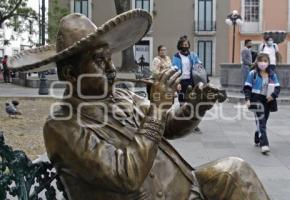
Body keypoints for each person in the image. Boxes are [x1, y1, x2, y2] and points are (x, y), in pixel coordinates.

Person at [8, 11, 271, 200]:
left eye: (109, 58)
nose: (111, 68)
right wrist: (157, 107)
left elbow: (167, 126)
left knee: (236, 172)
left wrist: (196, 105)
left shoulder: (121, 95)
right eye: (100, 61)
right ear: (69, 73)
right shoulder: (62, 125)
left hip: (186, 187)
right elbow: (126, 176)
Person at [244, 53, 280, 155]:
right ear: (257, 62)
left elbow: (277, 87)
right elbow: (247, 87)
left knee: (263, 121)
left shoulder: (272, 74)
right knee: (262, 121)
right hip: (256, 99)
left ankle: (257, 134)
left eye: (265, 61)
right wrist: (247, 99)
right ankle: (264, 144)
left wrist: (272, 95)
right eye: (261, 61)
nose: (263, 63)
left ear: (268, 63)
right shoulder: (253, 73)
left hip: (268, 100)